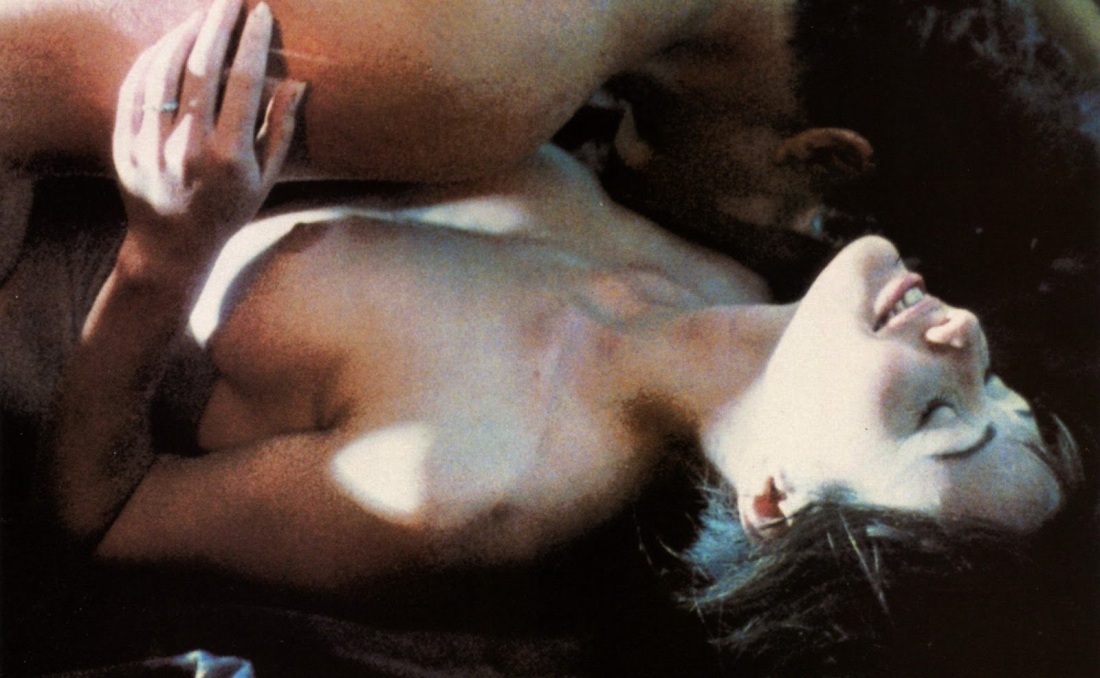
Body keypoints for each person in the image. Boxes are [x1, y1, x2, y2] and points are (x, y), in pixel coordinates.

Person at [44, 0, 1083, 603]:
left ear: (776, 500)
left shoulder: (479, 480)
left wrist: (165, 248)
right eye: (1005, 396)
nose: (964, 338)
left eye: (937, 418)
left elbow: (109, 512)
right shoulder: (719, 259)